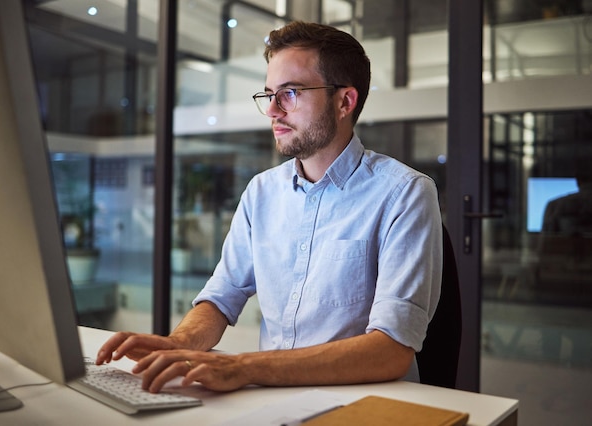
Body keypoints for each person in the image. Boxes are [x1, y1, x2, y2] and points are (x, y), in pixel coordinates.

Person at [96, 21, 443, 393]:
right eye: (269, 95)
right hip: (272, 401)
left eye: (290, 93)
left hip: (361, 406)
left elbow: (389, 351)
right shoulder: (261, 192)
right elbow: (221, 296)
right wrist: (180, 343)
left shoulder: (405, 194)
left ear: (345, 101)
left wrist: (243, 367)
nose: (274, 111)